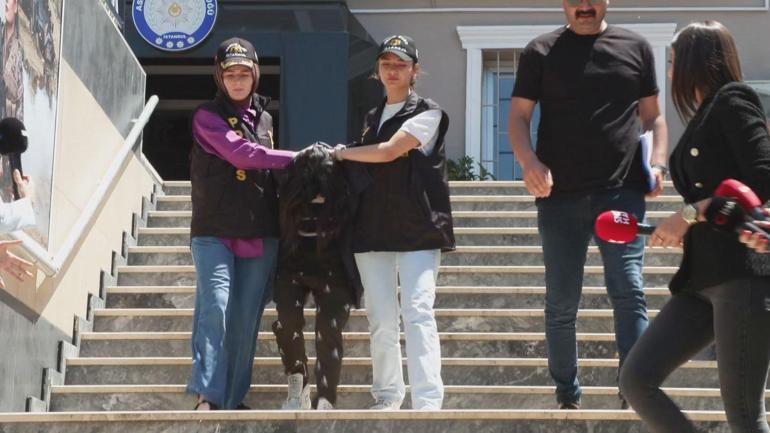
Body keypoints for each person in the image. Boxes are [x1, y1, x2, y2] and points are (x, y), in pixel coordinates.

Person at [507, 0, 668, 409]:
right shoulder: (539, 51)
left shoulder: (636, 47)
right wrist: (529, 162)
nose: (584, 5)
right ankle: (567, 394)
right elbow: (518, 117)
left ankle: (633, 392)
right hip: (558, 197)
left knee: (628, 291)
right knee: (561, 301)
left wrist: (658, 162)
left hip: (622, 191)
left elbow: (653, 116)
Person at [619, 21, 770, 433]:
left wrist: (687, 216)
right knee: (636, 379)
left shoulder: (734, 100)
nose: (669, 72)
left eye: (672, 61)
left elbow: (762, 177)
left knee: (744, 414)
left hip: (742, 275)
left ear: (693, 63)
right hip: (700, 280)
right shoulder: (706, 112)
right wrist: (682, 222)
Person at [332, 35, 453, 410]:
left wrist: (341, 153)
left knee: (418, 312)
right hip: (372, 230)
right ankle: (387, 395)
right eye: (386, 63)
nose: (393, 69)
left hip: (419, 229)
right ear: (378, 70)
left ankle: (428, 401)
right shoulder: (371, 118)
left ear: (415, 70)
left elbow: (389, 152)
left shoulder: (428, 113)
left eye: (401, 63)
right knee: (382, 320)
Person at [187, 37, 295, 411]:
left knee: (246, 318)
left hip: (260, 230)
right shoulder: (206, 115)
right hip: (213, 230)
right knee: (215, 306)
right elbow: (243, 155)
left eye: (244, 73)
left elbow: (268, 171)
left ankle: (231, 400)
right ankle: (207, 396)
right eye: (230, 73)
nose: (237, 80)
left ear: (255, 76)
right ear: (220, 76)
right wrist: (300, 158)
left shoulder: (265, 119)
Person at [272, 143, 362, 410]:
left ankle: (325, 396)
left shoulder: (343, 195)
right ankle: (297, 380)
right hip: (293, 263)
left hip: (333, 266)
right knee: (287, 321)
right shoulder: (291, 195)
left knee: (329, 329)